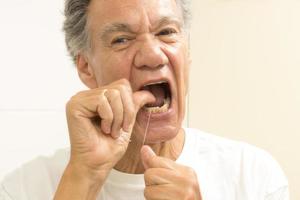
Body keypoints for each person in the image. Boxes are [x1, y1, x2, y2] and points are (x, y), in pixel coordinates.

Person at [0, 0, 289, 199]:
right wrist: (83, 179)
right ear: (86, 67)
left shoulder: (254, 178)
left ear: (187, 52)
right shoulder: (23, 189)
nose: (153, 55)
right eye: (121, 39)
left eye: (166, 32)